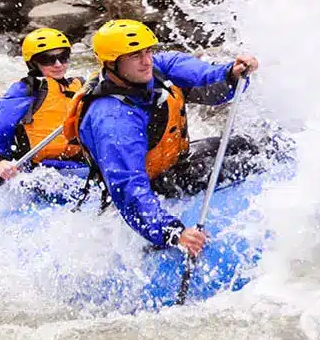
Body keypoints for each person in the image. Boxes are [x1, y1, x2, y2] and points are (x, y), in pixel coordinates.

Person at [63, 19, 259, 257]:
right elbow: (128, 188)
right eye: (135, 56)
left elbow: (206, 79)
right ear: (112, 63)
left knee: (250, 144)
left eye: (148, 52)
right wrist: (173, 233)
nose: (146, 61)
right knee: (247, 164)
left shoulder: (156, 68)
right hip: (152, 187)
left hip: (175, 165)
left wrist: (231, 73)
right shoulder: (113, 120)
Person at [0, 28, 87, 183]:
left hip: (81, 166)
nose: (58, 64)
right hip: (42, 174)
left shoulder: (81, 87)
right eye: (47, 59)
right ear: (33, 63)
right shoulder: (25, 91)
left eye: (63, 57)